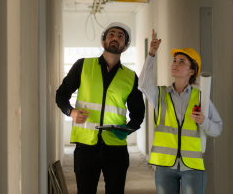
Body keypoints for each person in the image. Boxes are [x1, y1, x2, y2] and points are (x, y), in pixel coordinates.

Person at [56, 22, 145, 194]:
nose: (115, 38)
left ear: (125, 47)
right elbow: (61, 94)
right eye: (111, 34)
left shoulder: (130, 77)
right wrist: (71, 112)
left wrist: (128, 129)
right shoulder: (83, 66)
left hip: (116, 148)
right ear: (103, 42)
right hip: (86, 146)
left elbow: (138, 112)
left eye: (120, 36)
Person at [138, 29, 222, 194]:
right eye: (174, 60)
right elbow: (142, 84)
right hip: (164, 166)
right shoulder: (160, 95)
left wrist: (203, 121)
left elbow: (217, 128)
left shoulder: (200, 98)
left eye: (181, 61)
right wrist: (151, 55)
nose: (175, 64)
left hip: (192, 167)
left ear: (192, 71)